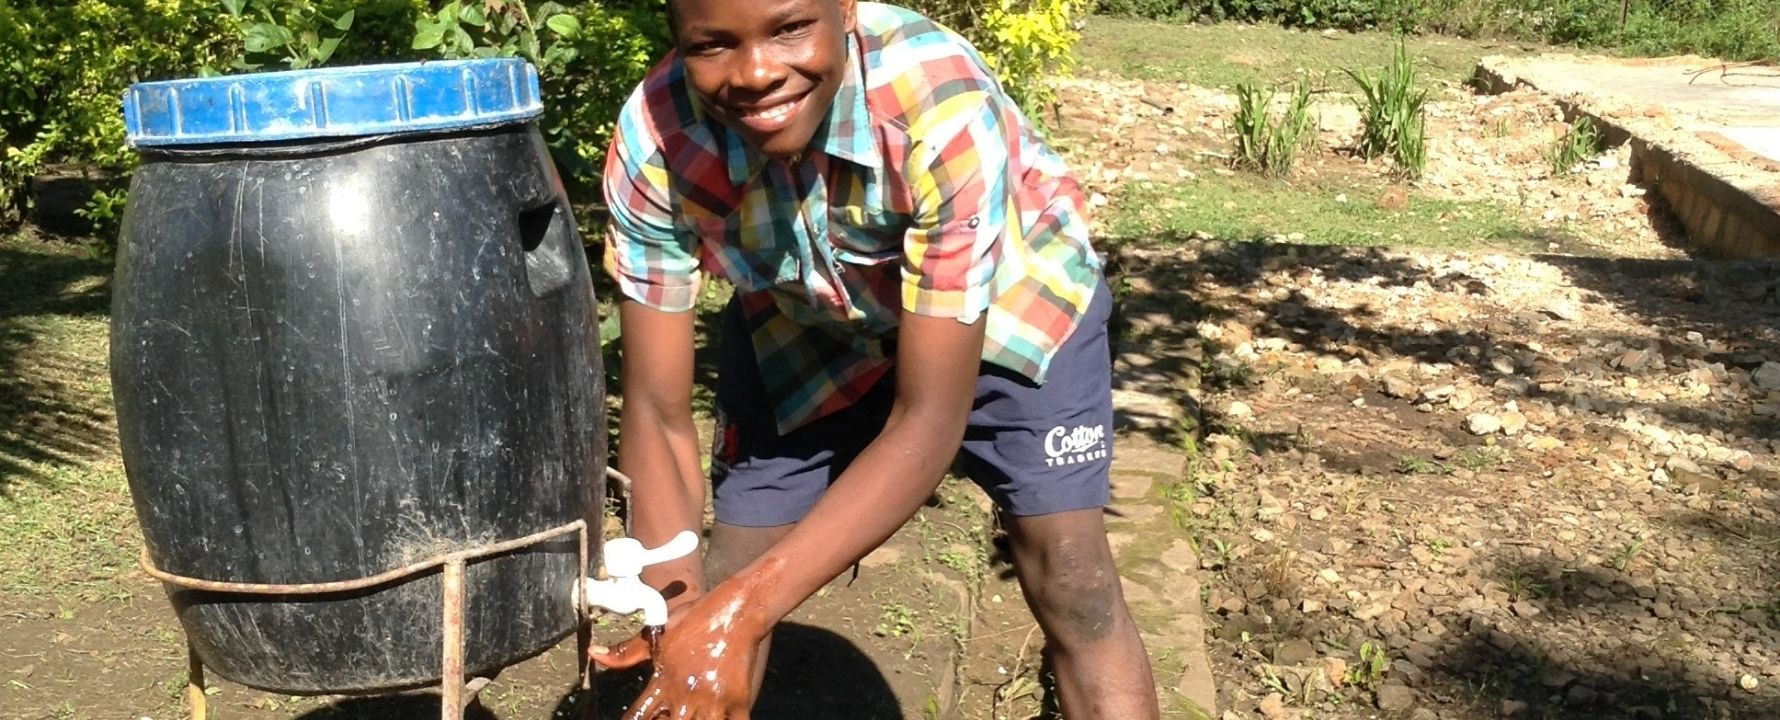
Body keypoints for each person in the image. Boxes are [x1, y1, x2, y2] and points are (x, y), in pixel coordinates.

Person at [590, 0, 1161, 716]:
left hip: (1009, 305)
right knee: (726, 570)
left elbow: (927, 420)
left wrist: (745, 610)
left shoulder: (935, 105)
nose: (758, 73)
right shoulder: (657, 137)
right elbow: (656, 411)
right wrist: (680, 628)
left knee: (1073, 579)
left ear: (847, 9)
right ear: (678, 39)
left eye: (790, 27)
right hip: (805, 323)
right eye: (713, 45)